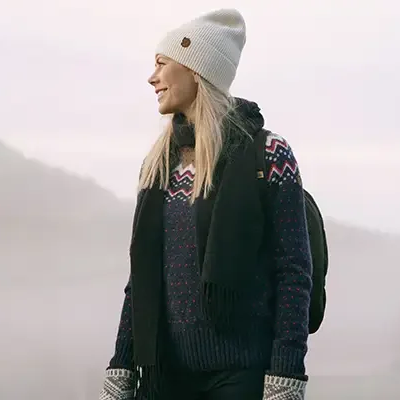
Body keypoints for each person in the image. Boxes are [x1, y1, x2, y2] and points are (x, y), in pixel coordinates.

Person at [98, 9, 312, 400]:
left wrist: (286, 374)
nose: (152, 77)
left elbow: (293, 271)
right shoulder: (159, 164)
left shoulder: (269, 154)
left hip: (242, 376)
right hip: (164, 376)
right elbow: (141, 278)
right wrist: (121, 368)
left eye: (162, 64)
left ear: (196, 70)